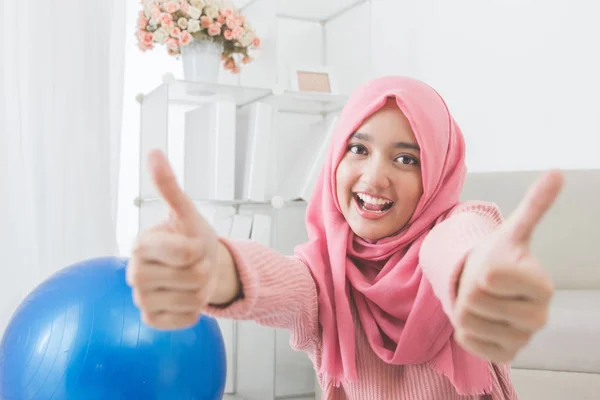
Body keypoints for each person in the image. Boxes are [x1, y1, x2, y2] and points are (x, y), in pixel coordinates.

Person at [126, 76, 563, 399]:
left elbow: (458, 248)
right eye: (358, 149)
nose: (374, 177)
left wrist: (476, 278)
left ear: (438, 174)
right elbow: (280, 283)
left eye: (407, 159)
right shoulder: (325, 272)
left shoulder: (458, 225)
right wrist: (215, 268)